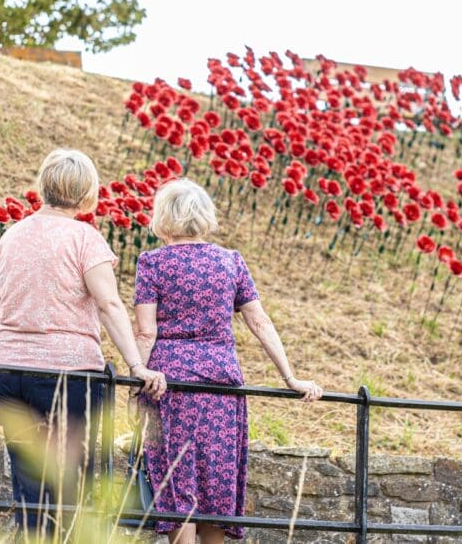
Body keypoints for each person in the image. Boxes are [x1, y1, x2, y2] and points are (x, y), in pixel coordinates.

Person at [0, 149, 167, 535]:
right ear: (88, 194)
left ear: (43, 186)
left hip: (8, 370)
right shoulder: (85, 238)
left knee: (29, 483)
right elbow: (109, 304)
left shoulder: (11, 235)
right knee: (74, 485)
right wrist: (137, 365)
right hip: (67, 376)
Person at [134, 178, 323, 544]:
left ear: (162, 218)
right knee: (215, 484)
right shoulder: (230, 262)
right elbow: (259, 321)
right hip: (222, 388)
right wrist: (290, 377)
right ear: (205, 217)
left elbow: (146, 333)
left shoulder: (153, 263)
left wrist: (136, 378)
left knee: (177, 484)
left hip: (170, 386)